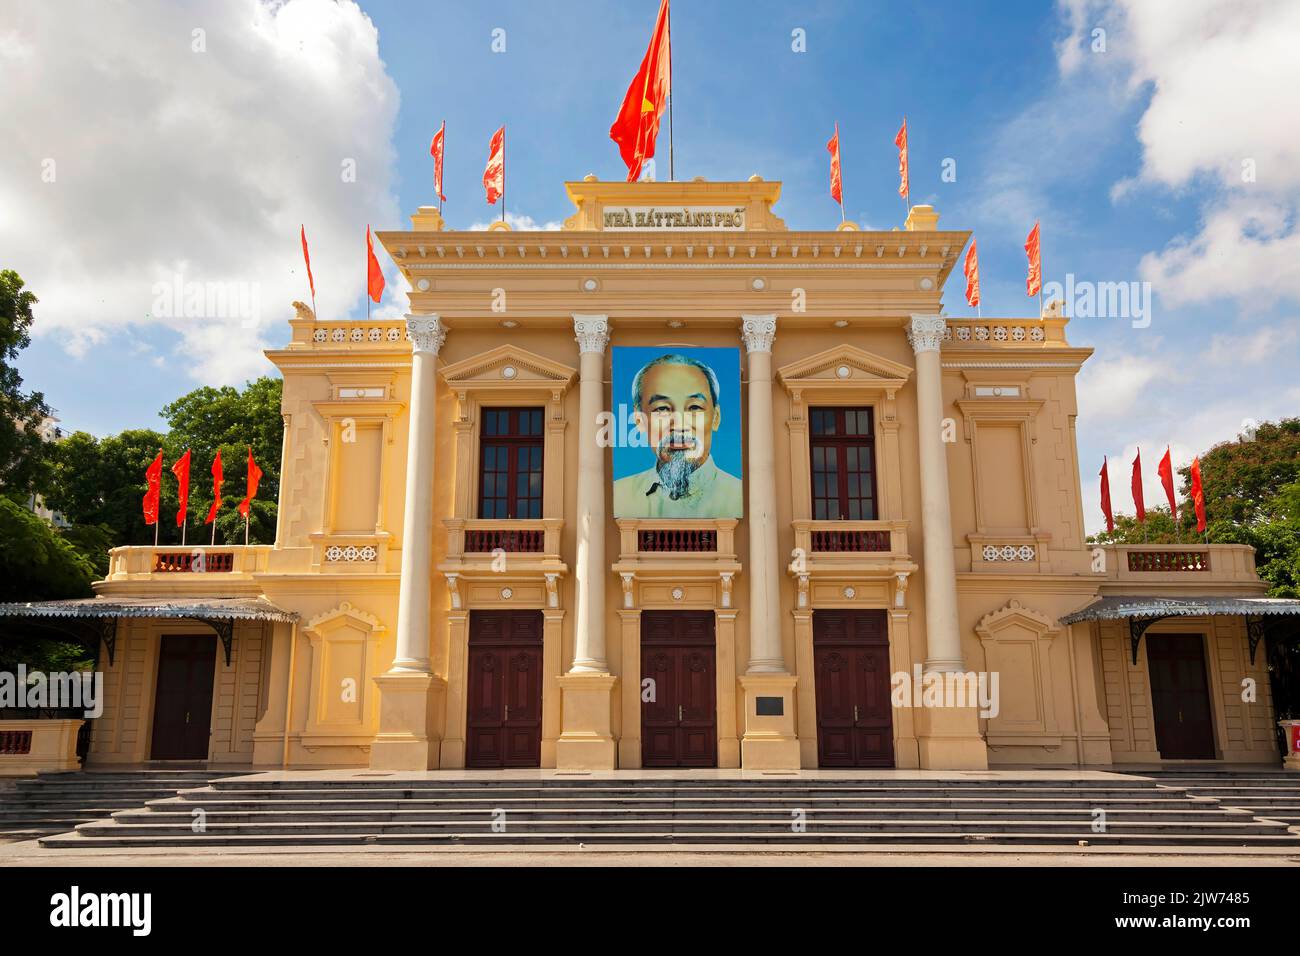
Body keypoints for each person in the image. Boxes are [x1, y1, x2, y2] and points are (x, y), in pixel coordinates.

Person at [613, 353, 743, 518]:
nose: (680, 426)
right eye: (662, 409)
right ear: (639, 420)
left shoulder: (739, 496)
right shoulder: (620, 495)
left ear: (716, 418)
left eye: (694, 407)